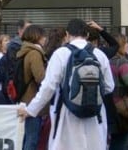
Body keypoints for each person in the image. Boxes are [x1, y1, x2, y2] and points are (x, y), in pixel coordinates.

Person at [18, 19, 114, 150]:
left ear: (67, 35)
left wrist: (31, 110)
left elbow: (48, 87)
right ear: (87, 35)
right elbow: (109, 86)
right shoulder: (99, 55)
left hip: (67, 113)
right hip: (95, 115)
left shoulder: (61, 54)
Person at [17, 25, 48, 150]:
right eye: (43, 36)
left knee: (25, 137)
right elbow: (41, 77)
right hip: (32, 100)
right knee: (32, 138)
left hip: (23, 98)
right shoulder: (34, 53)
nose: (45, 39)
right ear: (37, 37)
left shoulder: (24, 51)